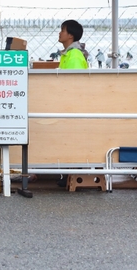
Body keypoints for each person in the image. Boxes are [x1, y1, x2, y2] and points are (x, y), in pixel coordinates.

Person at [56, 20, 87, 188]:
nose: (60, 33)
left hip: (71, 104)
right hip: (68, 103)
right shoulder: (69, 54)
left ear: (71, 35)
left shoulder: (74, 55)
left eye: (63, 30)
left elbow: (74, 83)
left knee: (69, 138)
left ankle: (70, 173)